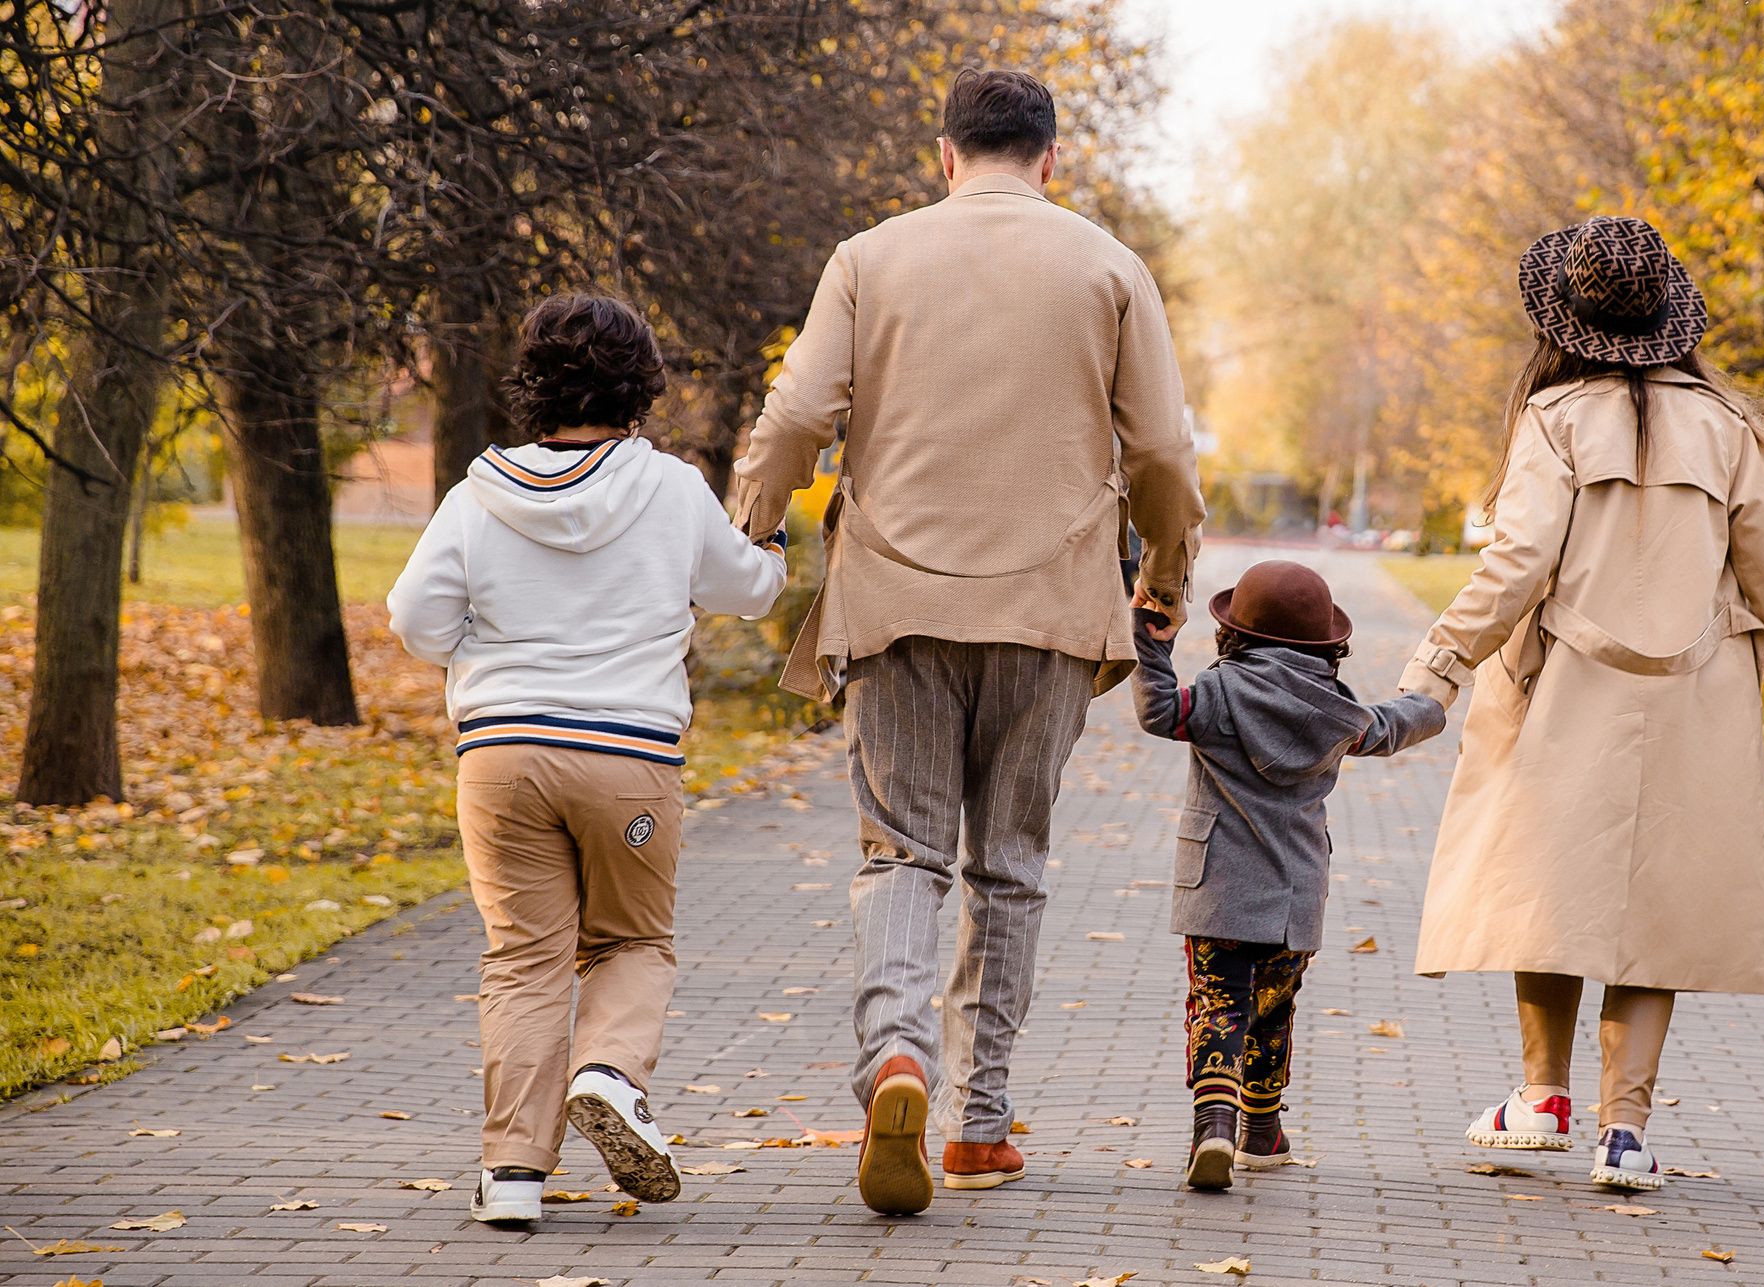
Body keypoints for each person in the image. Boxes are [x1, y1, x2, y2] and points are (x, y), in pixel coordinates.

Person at [727, 67, 1204, 1214]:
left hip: (894, 604)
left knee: (902, 854)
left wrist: (755, 520)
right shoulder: (1108, 267)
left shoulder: (870, 258)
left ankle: (898, 1057)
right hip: (1049, 611)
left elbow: (796, 416)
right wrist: (1168, 579)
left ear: (944, 155)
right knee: (1012, 866)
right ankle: (979, 1127)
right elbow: (1164, 457)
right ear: (1050, 157)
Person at [1398, 215, 1764, 1191]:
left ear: (1561, 323)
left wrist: (1438, 663)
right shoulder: (1726, 432)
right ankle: (1625, 1132)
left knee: (1551, 890)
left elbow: (1516, 564)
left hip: (1564, 687)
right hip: (1697, 703)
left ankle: (1541, 1097)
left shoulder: (1552, 421)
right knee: (1657, 904)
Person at [387, 294, 787, 1224]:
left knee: (525, 956)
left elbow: (415, 621)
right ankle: (607, 1074)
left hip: (502, 758)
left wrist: (479, 650)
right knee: (633, 939)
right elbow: (752, 590)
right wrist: (768, 546)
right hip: (628, 763)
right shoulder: (674, 489)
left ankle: (512, 1178)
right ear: (639, 387)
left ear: (534, 387)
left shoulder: (476, 491)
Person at [1128, 560, 1446, 1189]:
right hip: (1297, 897)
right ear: (1326, 644)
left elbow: (1159, 710)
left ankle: (1212, 1127)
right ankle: (1262, 1131)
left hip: (1217, 889)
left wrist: (1149, 638)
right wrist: (1431, 705)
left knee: (1219, 1004)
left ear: (1234, 633)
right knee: (1272, 1010)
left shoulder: (1217, 695)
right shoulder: (1337, 712)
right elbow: (1390, 727)